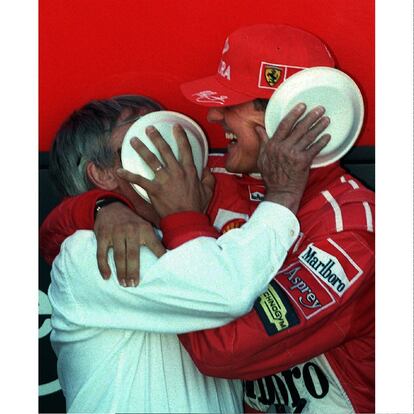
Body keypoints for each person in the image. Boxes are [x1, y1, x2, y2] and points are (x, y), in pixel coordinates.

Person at [40, 24, 375, 413]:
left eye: (230, 102)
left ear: (289, 115)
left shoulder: (353, 230)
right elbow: (57, 236)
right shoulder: (216, 179)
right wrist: (101, 208)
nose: (213, 115)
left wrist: (188, 216)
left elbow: (222, 348)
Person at [44, 94, 329, 413]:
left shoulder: (187, 236)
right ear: (103, 174)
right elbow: (225, 292)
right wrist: (284, 194)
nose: (168, 142)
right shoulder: (90, 250)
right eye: (143, 132)